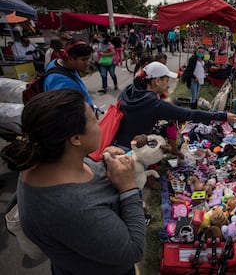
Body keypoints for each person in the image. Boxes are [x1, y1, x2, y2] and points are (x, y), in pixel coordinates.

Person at [0, 89, 145, 275]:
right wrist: (128, 188)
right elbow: (134, 251)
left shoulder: (40, 159)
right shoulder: (73, 207)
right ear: (76, 138)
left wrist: (104, 161)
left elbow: (82, 170)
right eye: (94, 119)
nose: (99, 123)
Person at [113, 61, 236, 151]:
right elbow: (190, 114)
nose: (168, 85)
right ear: (157, 81)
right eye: (166, 81)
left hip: (117, 143)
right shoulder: (154, 105)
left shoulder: (128, 91)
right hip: (134, 151)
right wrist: (223, 116)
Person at [43, 39, 95, 109]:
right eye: (84, 59)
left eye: (89, 59)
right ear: (70, 59)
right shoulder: (61, 83)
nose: (88, 62)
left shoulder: (57, 63)